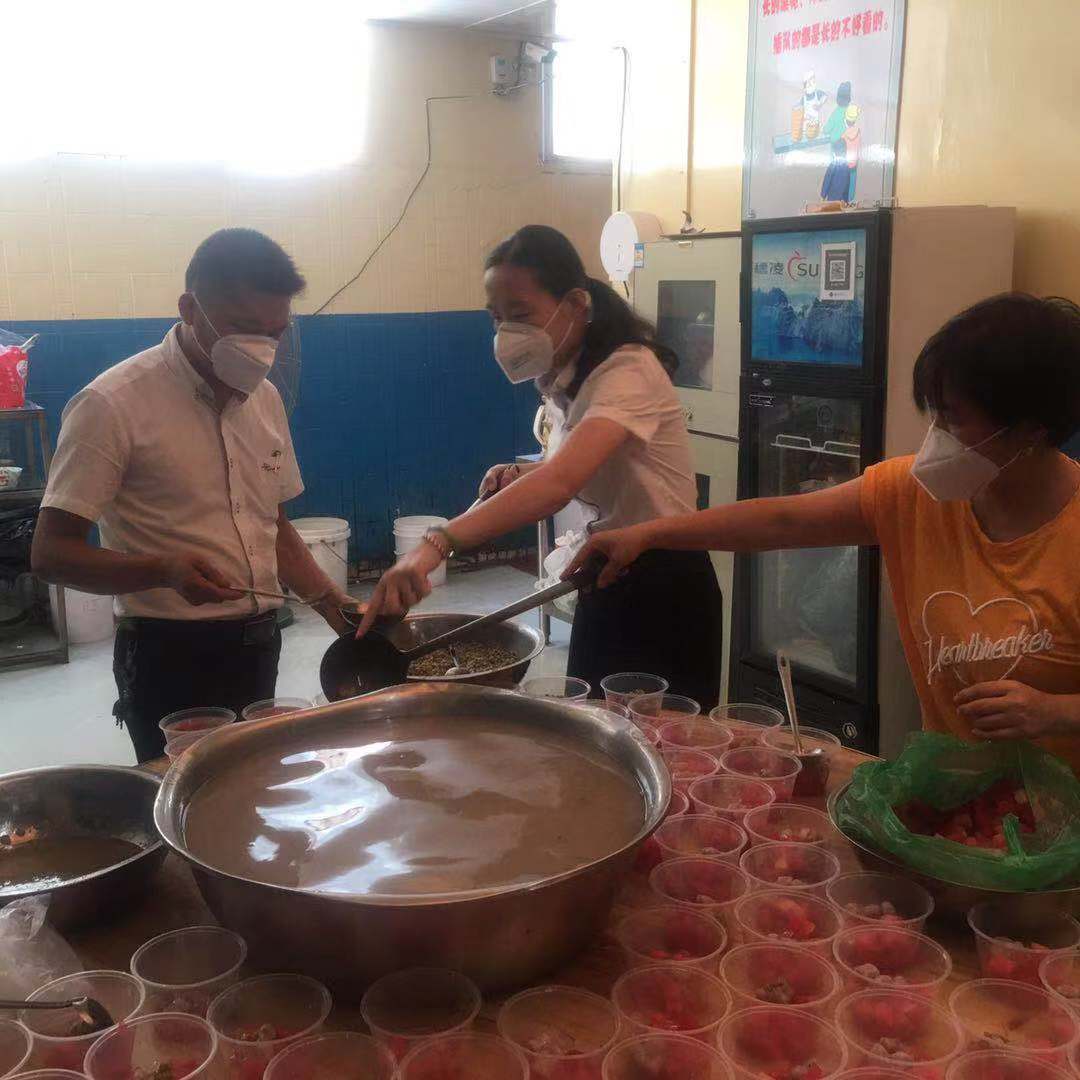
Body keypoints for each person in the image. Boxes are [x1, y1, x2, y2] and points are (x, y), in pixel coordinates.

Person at [570, 294, 1080, 770]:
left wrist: (1053, 711)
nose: (935, 439)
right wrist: (649, 534)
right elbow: (782, 519)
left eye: (954, 420)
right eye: (934, 416)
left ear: (1031, 429)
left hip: (1062, 829)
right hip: (958, 799)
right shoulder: (913, 494)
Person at [356, 225, 724, 707]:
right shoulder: (567, 376)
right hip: (609, 565)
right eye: (497, 317)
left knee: (663, 747)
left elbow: (561, 481)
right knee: (596, 730)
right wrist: (519, 474)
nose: (507, 332)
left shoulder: (629, 370)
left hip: (665, 581)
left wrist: (437, 543)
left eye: (521, 314)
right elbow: (578, 467)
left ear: (575, 304)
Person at [32, 228, 354, 762]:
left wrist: (330, 603)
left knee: (250, 789)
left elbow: (272, 526)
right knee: (182, 804)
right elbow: (50, 555)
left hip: (258, 643)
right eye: (244, 328)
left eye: (274, 333)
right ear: (189, 308)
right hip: (166, 654)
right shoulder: (111, 405)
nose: (261, 351)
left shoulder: (265, 399)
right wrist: (163, 570)